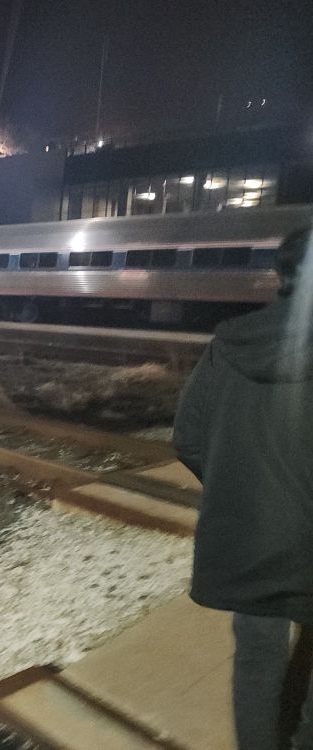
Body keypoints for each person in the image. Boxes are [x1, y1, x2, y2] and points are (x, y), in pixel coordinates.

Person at [174, 224, 313, 750]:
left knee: (256, 658)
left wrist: (237, 491)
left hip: (250, 534)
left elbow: (188, 438)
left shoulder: (230, 344)